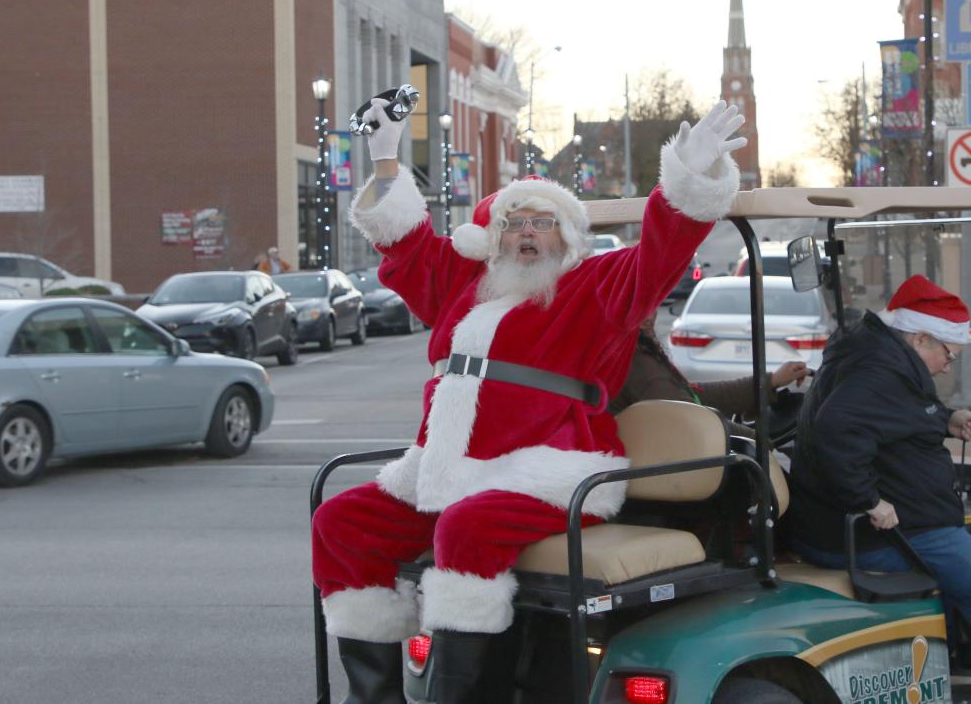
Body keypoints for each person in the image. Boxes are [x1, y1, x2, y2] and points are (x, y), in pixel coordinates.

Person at [311, 98, 746, 704]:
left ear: (566, 236)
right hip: (447, 470)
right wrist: (388, 162)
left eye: (542, 223)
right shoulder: (468, 287)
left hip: (550, 472)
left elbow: (660, 253)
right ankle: (375, 697)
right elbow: (406, 245)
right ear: (494, 236)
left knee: (467, 529)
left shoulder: (595, 286)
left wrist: (689, 179)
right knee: (341, 521)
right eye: (515, 223)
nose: (527, 234)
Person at [787, 274, 971, 704]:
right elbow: (836, 428)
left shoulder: (874, 355)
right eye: (948, 354)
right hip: (879, 529)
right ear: (920, 339)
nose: (947, 365)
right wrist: (870, 501)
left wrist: (946, 418)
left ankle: (954, 671)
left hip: (855, 520)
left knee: (969, 567)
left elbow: (894, 414)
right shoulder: (881, 370)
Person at [608, 311, 810, 422]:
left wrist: (772, 381)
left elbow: (694, 396)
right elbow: (692, 419)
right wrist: (758, 440)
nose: (650, 316)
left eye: (653, 303)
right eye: (641, 306)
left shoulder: (634, 352)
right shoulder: (638, 363)